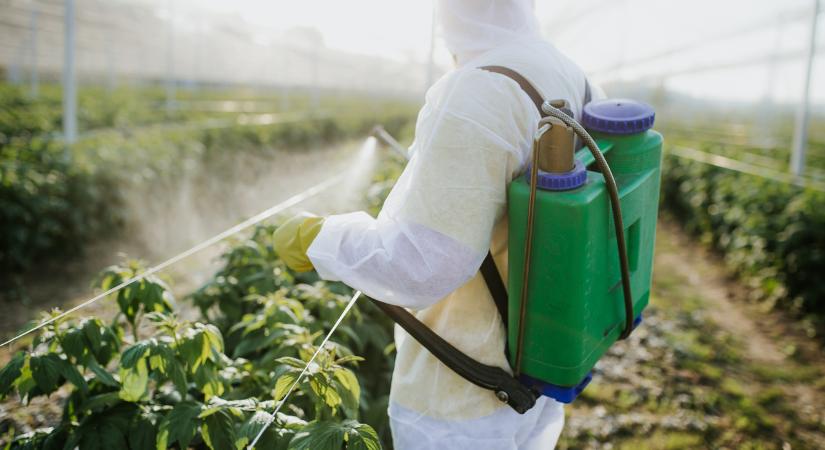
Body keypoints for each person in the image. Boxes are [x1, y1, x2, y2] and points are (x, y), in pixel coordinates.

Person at [273, 0, 601, 448]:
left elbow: (424, 264)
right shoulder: (565, 70)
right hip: (539, 365)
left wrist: (321, 239)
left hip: (462, 399)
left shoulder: (481, 92)